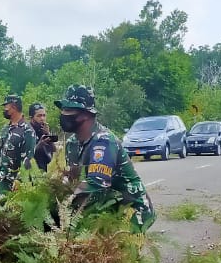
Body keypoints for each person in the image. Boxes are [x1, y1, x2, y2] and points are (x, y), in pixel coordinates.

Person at [55, 84, 155, 232]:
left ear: (86, 114)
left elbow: (96, 184)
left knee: (117, 250)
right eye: (63, 109)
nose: (64, 114)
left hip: (132, 209)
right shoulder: (72, 144)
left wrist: (63, 201)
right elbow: (72, 179)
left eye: (69, 110)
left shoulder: (103, 142)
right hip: (104, 206)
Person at [0, 94, 35, 197]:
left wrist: (20, 180)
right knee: (1, 209)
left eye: (6, 107)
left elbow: (29, 158)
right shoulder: (5, 129)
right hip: (3, 179)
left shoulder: (27, 131)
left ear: (14, 107)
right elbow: (0, 152)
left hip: (17, 183)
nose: (4, 110)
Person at [27, 102, 57, 171]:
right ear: (31, 118)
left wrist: (48, 134)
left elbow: (55, 151)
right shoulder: (27, 131)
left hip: (44, 170)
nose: (42, 118)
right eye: (39, 116)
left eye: (44, 115)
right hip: (30, 171)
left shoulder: (43, 130)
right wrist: (39, 145)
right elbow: (25, 156)